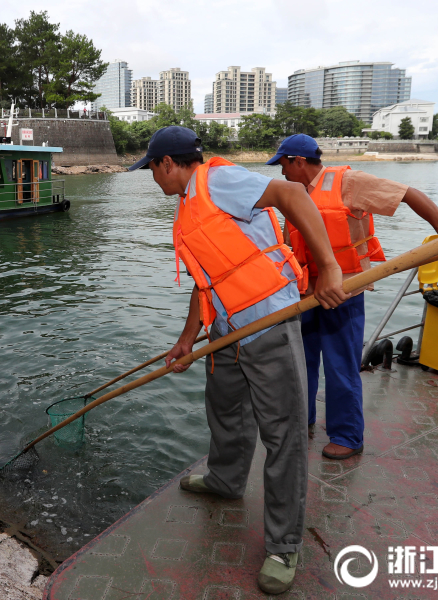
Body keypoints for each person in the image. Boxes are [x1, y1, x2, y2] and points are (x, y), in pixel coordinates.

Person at [130, 126, 349, 594]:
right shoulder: (189, 204)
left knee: (282, 436)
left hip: (269, 323)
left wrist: (330, 267)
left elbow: (292, 193)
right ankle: (227, 480)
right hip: (227, 330)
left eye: (150, 168)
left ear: (167, 163)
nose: (151, 178)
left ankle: (284, 545)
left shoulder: (217, 181)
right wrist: (187, 339)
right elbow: (207, 278)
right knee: (224, 409)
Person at [266, 134, 438, 460]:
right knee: (298, 362)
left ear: (298, 161)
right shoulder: (294, 193)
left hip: (343, 291)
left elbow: (408, 194)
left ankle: (347, 435)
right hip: (304, 291)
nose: (281, 172)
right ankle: (300, 419)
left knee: (340, 364)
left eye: (283, 165)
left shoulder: (349, 182)